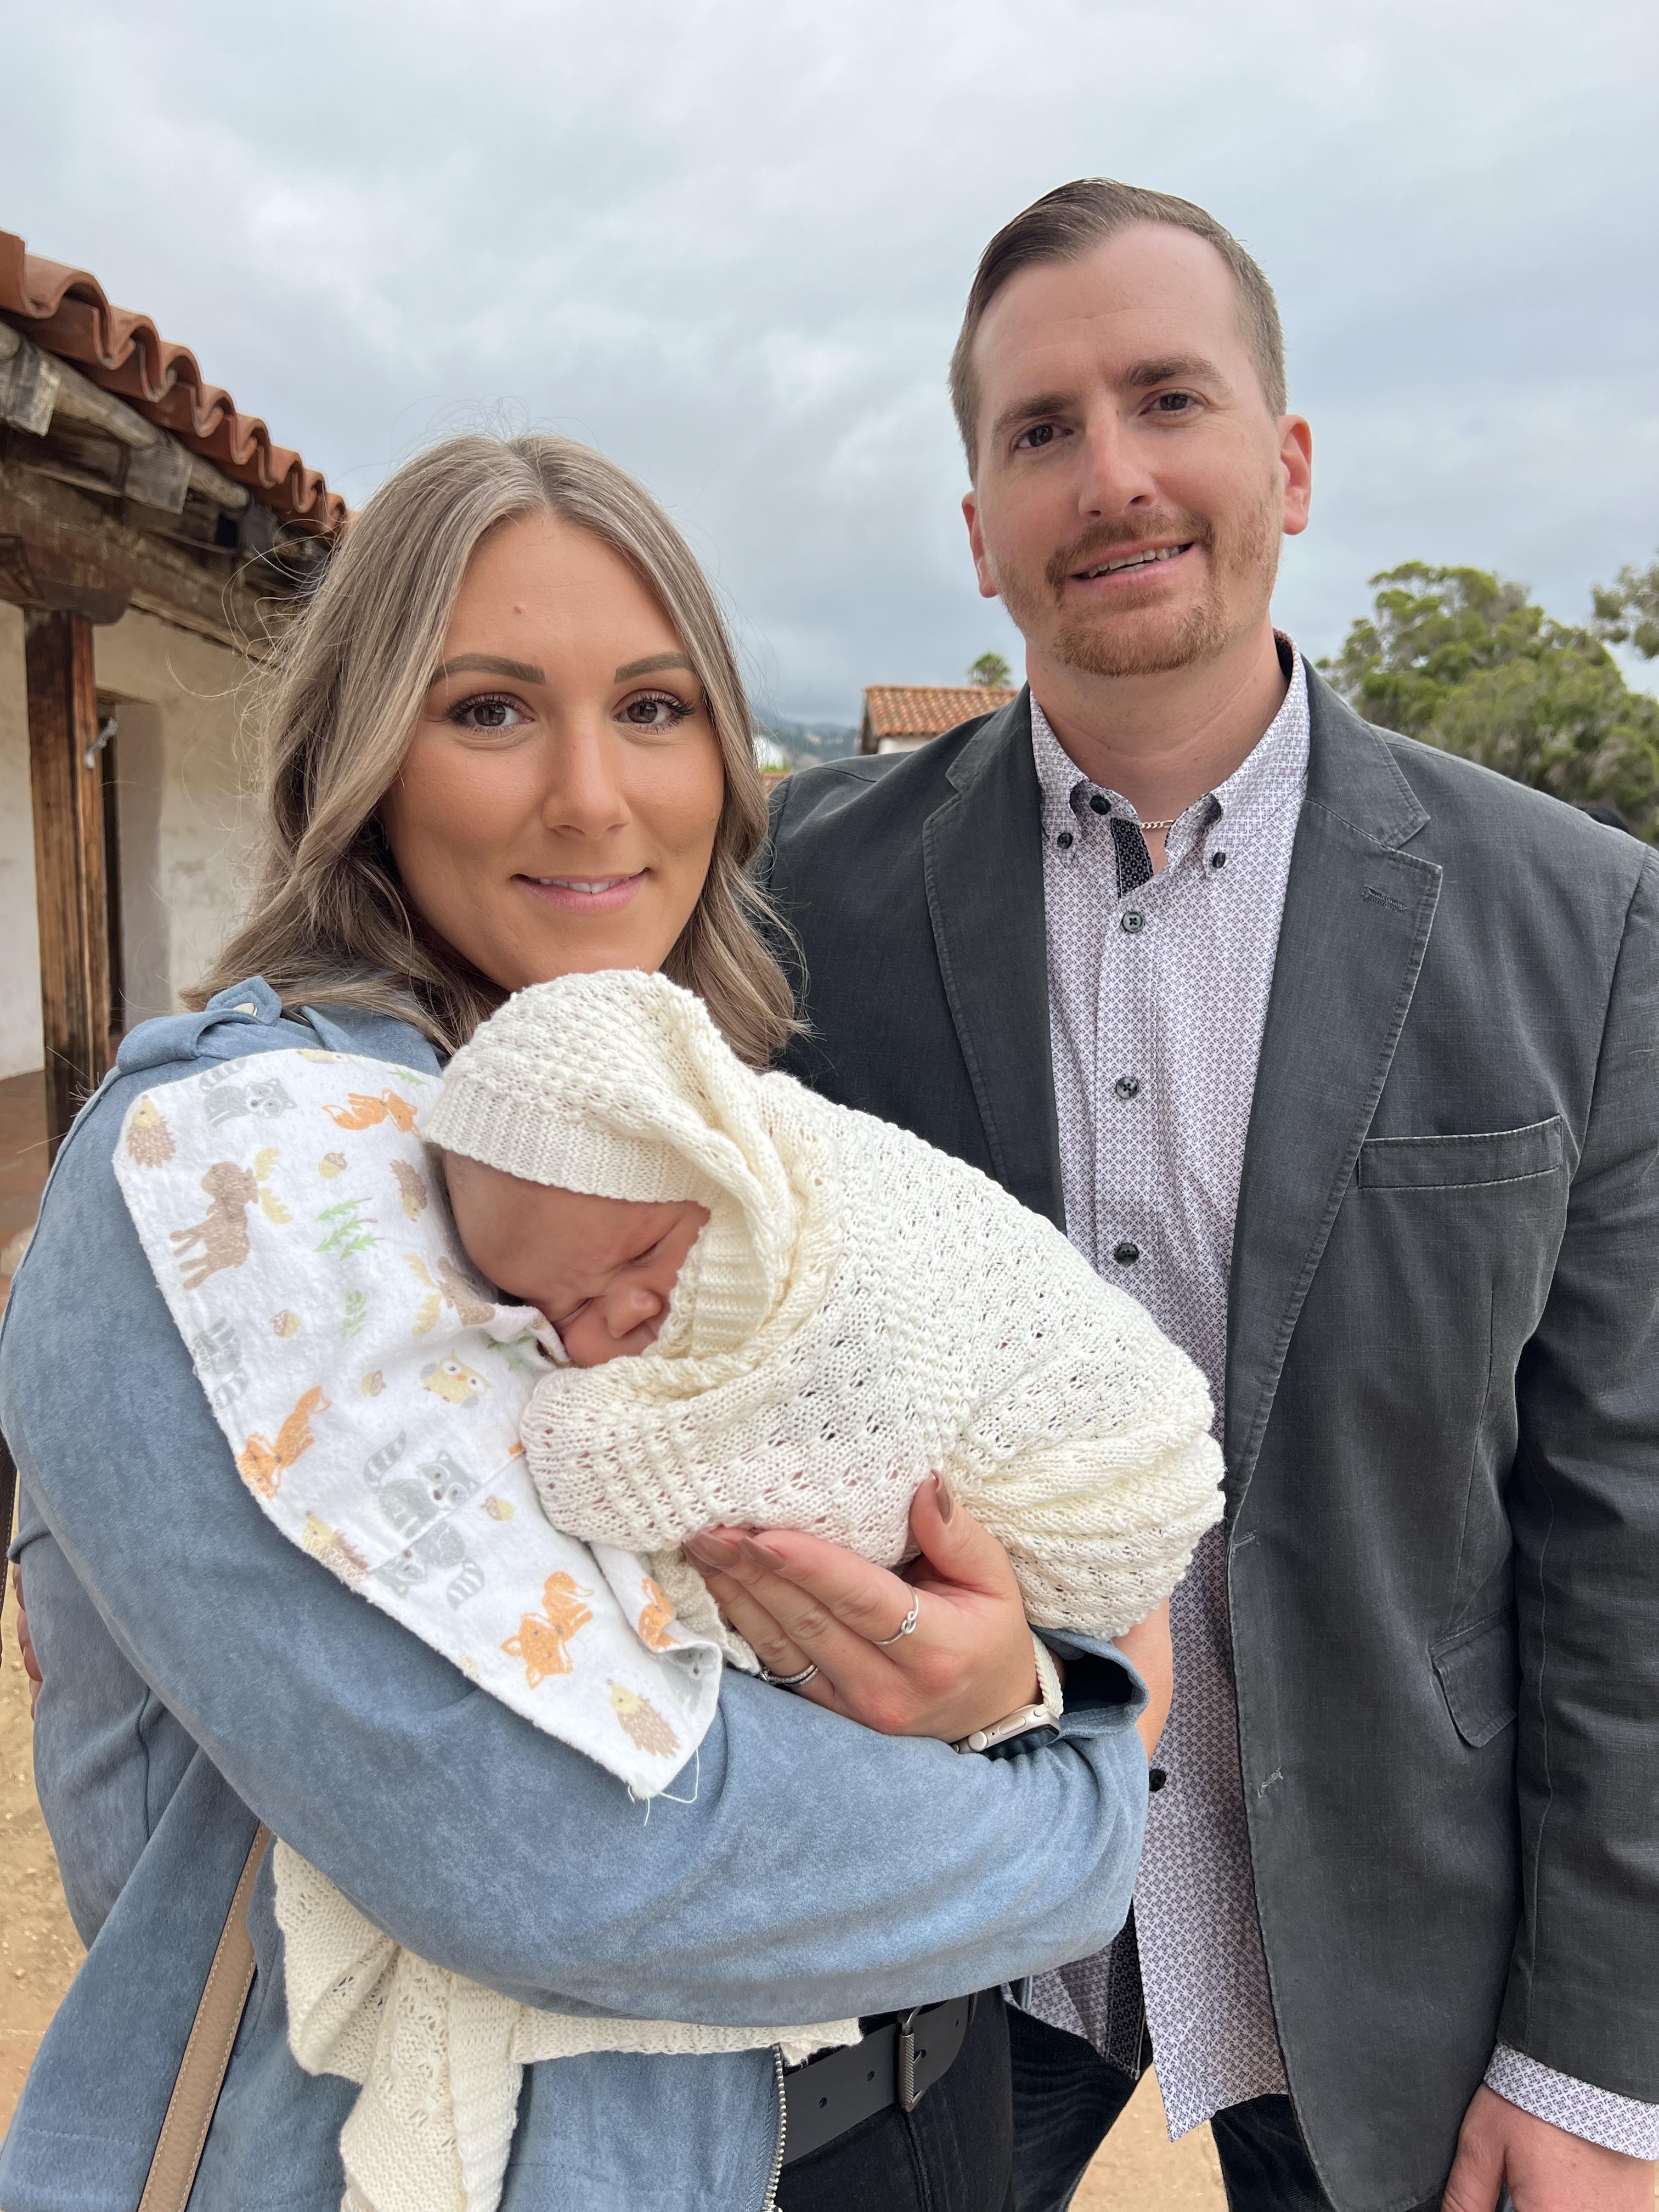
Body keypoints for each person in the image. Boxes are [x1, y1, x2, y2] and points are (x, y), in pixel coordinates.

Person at [0, 431, 1168, 2212]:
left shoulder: (720, 1143)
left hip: (909, 2112)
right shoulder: (234, 1168)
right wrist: (1084, 1792)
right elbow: (563, 1848)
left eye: (652, 707)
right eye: (485, 710)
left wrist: (1006, 1675)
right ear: (360, 756)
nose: (591, 798)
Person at [755, 180, 1659, 2212]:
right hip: (948, 1943)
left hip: (1403, 1966)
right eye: (1041, 430)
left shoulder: (1580, 926)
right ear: (977, 523)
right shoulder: (800, 902)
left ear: (1292, 459)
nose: (1116, 476)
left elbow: (1629, 1519)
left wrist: (1602, 2060)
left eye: (1170, 397)